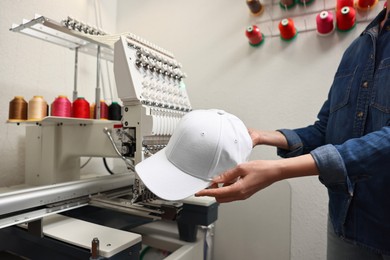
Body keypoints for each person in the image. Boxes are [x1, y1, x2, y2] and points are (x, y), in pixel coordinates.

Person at [196, 2, 390, 259]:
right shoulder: (356, 50)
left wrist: (276, 170)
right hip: (345, 220)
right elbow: (326, 129)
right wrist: (263, 136)